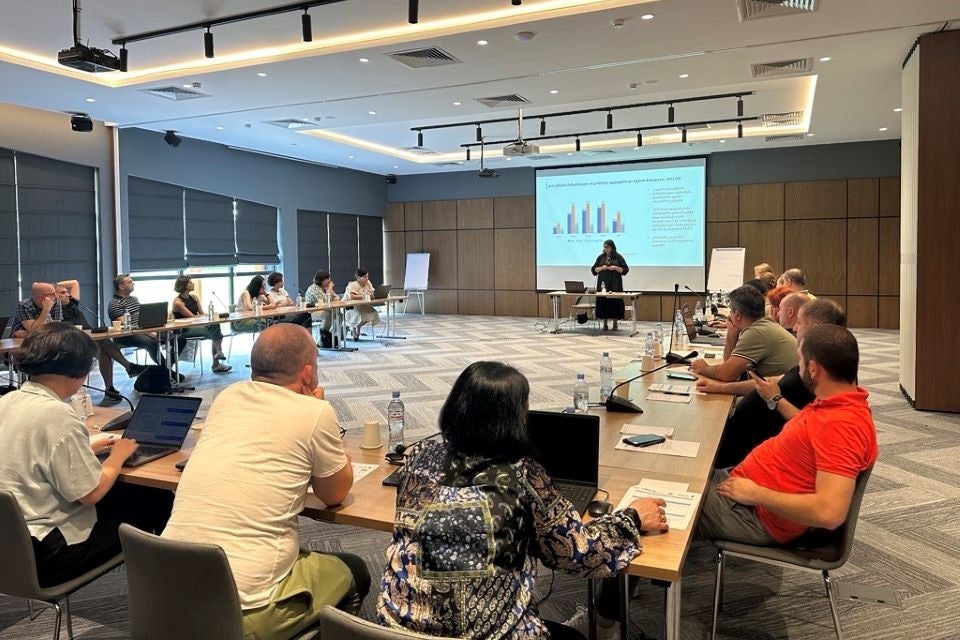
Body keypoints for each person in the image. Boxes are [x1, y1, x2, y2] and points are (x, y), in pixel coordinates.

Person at [378, 361, 667, 640]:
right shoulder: (523, 475)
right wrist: (631, 517)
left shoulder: (418, 459)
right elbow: (578, 554)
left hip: (393, 631)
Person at [162, 324, 369, 640]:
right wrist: (317, 411)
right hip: (243, 614)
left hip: (167, 593)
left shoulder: (226, 397)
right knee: (355, 569)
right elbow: (334, 494)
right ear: (308, 373)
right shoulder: (313, 412)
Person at [0, 323, 172, 587]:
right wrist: (119, 455)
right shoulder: (57, 415)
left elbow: (24, 450)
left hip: (11, 545)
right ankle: (168, 590)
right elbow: (90, 493)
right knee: (155, 498)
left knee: (130, 495)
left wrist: (85, 447)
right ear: (78, 370)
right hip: (52, 555)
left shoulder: (8, 401)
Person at [698, 324, 878, 546]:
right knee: (677, 472)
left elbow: (829, 513)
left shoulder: (842, 426)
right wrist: (776, 399)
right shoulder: (838, 401)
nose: (797, 369)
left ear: (813, 370)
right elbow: (810, 429)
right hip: (742, 488)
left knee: (664, 501)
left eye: (800, 362)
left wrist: (757, 494)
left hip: (754, 513)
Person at [698, 299, 847, 468]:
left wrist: (776, 399)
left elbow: (818, 431)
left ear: (814, 329)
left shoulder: (825, 373)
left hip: (745, 461)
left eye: (799, 322)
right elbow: (768, 383)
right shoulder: (811, 361)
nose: (795, 328)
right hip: (737, 443)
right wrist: (719, 388)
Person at [54, 280, 147, 404]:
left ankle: (110, 389)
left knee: (103, 350)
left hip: (90, 335)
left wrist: (56, 285)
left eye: (67, 292)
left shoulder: (72, 303)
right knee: (104, 343)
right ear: (55, 296)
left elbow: (75, 283)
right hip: (74, 339)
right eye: (63, 293)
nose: (68, 294)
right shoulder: (54, 311)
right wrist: (52, 288)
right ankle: (128, 367)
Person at [690, 285, 798, 381]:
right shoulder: (763, 325)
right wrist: (732, 333)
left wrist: (703, 368)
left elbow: (726, 374)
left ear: (737, 314)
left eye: (730, 310)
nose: (729, 315)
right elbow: (730, 366)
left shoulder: (756, 332)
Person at [107, 274, 185, 369]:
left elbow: (143, 317)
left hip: (144, 329)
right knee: (151, 343)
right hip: (128, 335)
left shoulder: (134, 299)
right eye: (130, 282)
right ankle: (166, 372)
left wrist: (152, 327)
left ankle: (166, 368)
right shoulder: (114, 303)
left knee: (180, 339)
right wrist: (147, 332)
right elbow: (125, 323)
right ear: (121, 286)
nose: (133, 283)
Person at [171, 275, 231, 373]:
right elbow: (192, 317)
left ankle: (218, 356)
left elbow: (201, 314)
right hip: (185, 329)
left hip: (197, 324)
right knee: (215, 332)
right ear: (184, 285)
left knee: (215, 325)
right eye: (190, 282)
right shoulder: (178, 302)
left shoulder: (194, 297)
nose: (193, 283)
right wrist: (206, 317)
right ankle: (217, 361)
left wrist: (212, 315)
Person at [591, 239, 628, 331]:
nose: (606, 249)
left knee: (615, 303)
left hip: (615, 284)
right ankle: (605, 324)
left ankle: (615, 324)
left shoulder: (618, 257)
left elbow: (625, 270)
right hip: (603, 284)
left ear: (612, 247)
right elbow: (594, 270)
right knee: (603, 303)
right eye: (605, 247)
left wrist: (615, 267)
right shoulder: (601, 257)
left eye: (608, 247)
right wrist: (601, 268)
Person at [304, 270, 339, 348]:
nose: (329, 281)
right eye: (327, 279)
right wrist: (330, 289)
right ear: (322, 280)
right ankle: (323, 337)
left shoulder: (325, 288)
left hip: (324, 309)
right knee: (328, 316)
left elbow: (337, 297)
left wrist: (333, 295)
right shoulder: (314, 288)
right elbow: (326, 301)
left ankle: (332, 337)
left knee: (339, 315)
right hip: (312, 311)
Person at [344, 268, 379, 340]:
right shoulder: (353, 284)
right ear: (359, 278)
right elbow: (352, 297)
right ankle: (353, 329)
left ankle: (358, 326)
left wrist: (372, 294)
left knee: (373, 313)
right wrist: (364, 295)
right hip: (351, 306)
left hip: (363, 305)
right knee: (358, 314)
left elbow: (372, 293)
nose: (367, 278)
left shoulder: (368, 283)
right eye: (365, 277)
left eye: (367, 276)